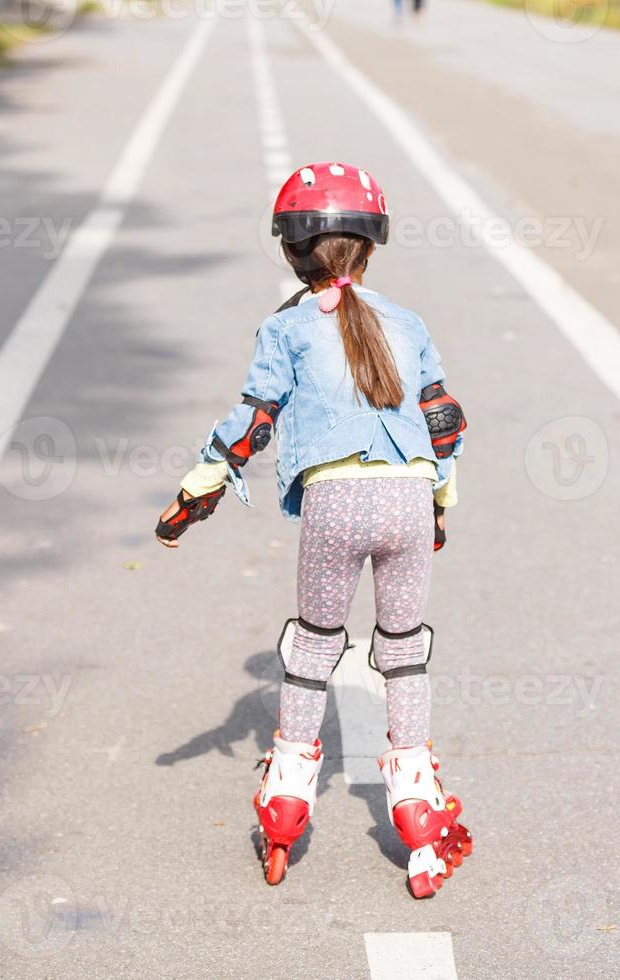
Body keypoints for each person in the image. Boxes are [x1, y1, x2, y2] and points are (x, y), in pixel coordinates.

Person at [154, 162, 471, 899]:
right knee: (402, 652)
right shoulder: (407, 321)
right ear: (371, 246)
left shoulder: (286, 328)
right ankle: (419, 812)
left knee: (315, 648)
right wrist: (440, 504)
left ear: (292, 251)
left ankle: (288, 800)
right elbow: (443, 423)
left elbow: (252, 423)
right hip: (407, 498)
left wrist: (195, 493)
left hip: (336, 505)